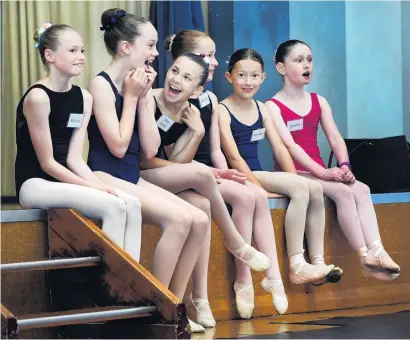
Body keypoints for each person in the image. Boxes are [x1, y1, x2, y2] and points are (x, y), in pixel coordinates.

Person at [87, 9, 268, 332]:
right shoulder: (101, 85)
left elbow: (149, 147)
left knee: (199, 218)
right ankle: (156, 304)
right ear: (127, 48)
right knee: (181, 218)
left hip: (133, 173)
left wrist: (142, 99)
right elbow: (116, 146)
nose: (157, 53)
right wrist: (131, 98)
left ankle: (175, 303)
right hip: (107, 173)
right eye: (151, 46)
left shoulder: (139, 86)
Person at [266, 39, 400, 281]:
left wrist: (344, 166)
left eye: (309, 59)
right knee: (345, 193)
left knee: (362, 188)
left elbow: (336, 138)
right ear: (281, 68)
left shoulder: (319, 101)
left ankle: (377, 250)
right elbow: (290, 146)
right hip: (297, 173)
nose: (307, 65)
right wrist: (324, 172)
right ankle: (364, 256)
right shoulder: (272, 106)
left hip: (321, 172)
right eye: (298, 60)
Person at [15, 23, 142, 261]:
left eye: (82, 50)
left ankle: (131, 285)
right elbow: (48, 163)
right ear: (49, 55)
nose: (81, 57)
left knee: (131, 203)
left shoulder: (83, 97)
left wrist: (101, 185)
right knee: (113, 207)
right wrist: (92, 187)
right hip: (35, 183)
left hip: (67, 181)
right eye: (72, 51)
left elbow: (74, 158)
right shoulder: (38, 97)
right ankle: (110, 287)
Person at [219, 47, 342, 290]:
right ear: (229, 76)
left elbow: (280, 148)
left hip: (261, 174)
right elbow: (234, 157)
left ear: (263, 78)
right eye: (242, 75)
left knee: (313, 188)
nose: (248, 82)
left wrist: (295, 179)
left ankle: (317, 262)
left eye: (254, 76)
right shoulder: (223, 109)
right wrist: (257, 187)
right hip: (242, 175)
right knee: (301, 187)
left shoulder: (262, 108)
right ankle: (296, 263)